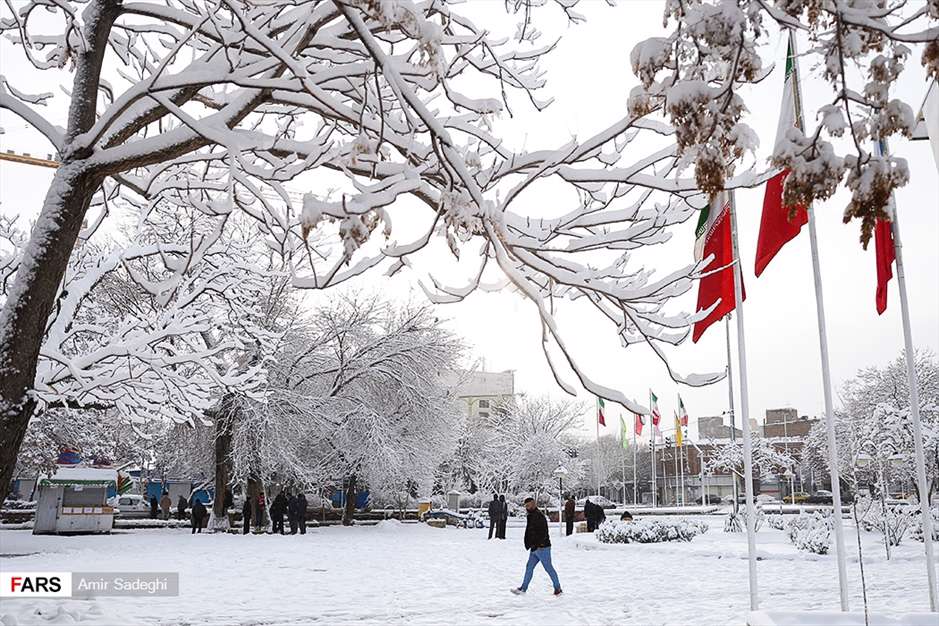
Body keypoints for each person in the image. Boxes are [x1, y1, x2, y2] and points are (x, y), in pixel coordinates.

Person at [511, 497, 561, 596]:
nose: (527, 507)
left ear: (533, 504)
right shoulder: (531, 515)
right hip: (534, 547)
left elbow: (543, 532)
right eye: (526, 506)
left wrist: (539, 544)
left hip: (542, 547)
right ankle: (523, 588)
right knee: (529, 567)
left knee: (548, 568)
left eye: (528, 505)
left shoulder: (538, 516)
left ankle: (557, 588)